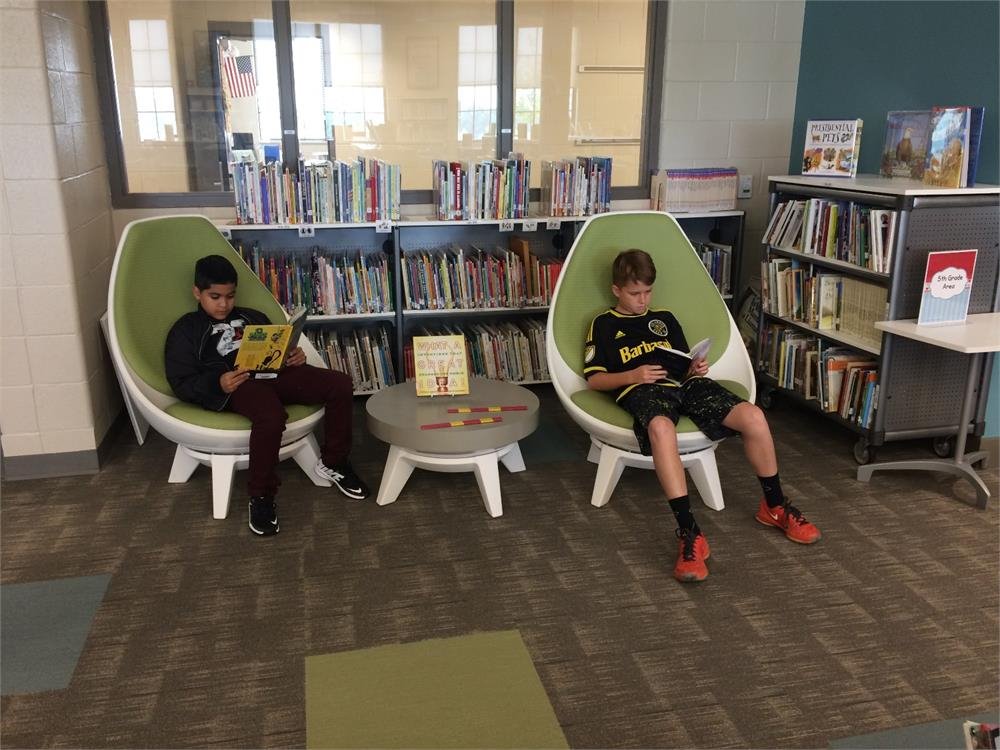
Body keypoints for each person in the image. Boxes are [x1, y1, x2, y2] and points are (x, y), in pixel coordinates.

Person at [583, 249, 820, 582]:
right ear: (616, 290)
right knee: (662, 429)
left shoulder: (664, 318)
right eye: (635, 293)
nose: (643, 299)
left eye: (648, 291)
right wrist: (632, 376)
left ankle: (775, 506)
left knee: (753, 416)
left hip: (687, 387)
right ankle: (689, 531)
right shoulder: (603, 325)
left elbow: (682, 360)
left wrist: (695, 367)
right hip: (643, 391)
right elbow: (594, 379)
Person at [165, 254, 369, 537]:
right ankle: (261, 495)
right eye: (215, 297)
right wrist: (218, 382)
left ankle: (334, 462)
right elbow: (180, 381)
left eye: (230, 296)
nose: (224, 304)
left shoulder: (252, 317)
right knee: (271, 416)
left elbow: (278, 347)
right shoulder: (186, 330)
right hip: (238, 386)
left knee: (340, 384)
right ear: (197, 292)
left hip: (275, 375)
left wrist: (292, 356)